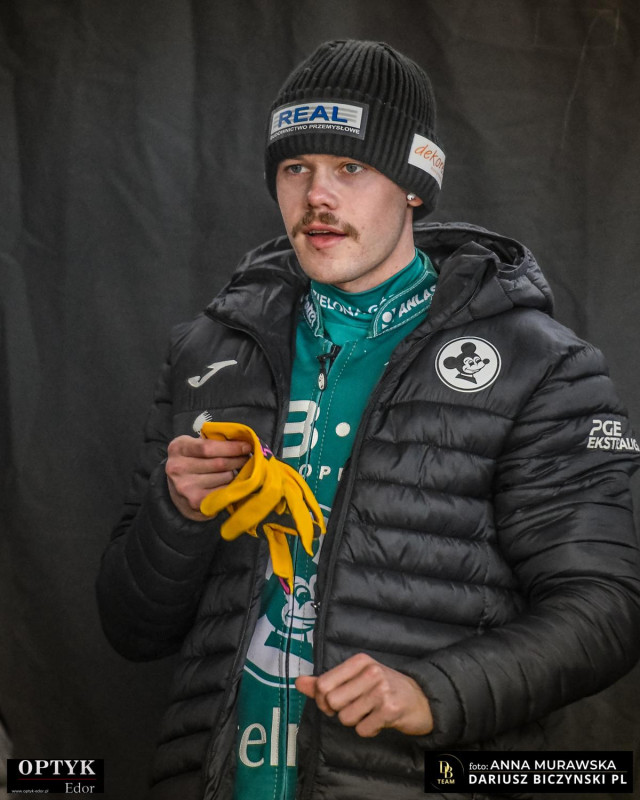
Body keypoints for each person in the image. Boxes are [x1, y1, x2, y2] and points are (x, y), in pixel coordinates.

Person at [96, 39, 640, 800]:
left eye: (350, 167)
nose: (317, 196)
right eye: (296, 168)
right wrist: (178, 513)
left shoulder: (539, 364)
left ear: (415, 184)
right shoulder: (209, 351)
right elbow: (131, 628)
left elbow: (607, 608)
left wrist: (432, 693)